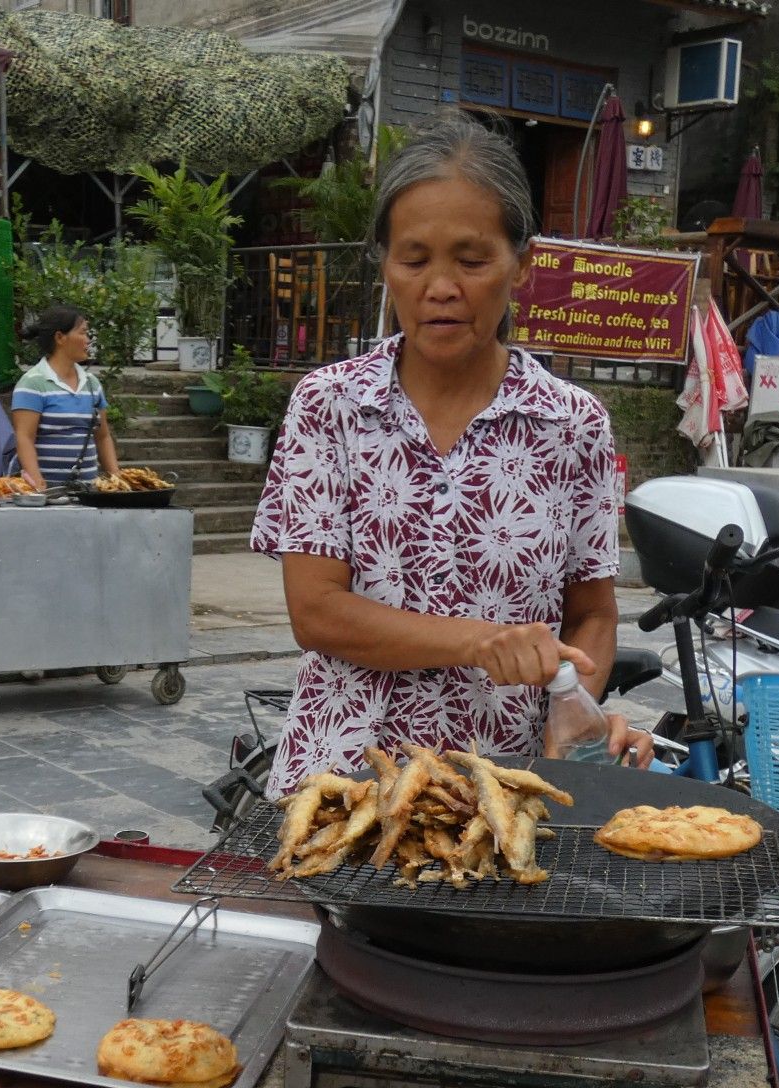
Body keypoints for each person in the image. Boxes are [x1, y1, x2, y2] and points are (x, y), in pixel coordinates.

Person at [251, 112, 655, 798]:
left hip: (504, 785)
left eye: (471, 261)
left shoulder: (572, 424)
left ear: (521, 264)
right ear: (385, 264)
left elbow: (591, 612)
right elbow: (316, 610)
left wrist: (574, 709)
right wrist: (478, 642)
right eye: (414, 259)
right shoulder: (331, 406)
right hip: (345, 782)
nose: (441, 286)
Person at [11, 305, 119, 492]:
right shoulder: (32, 383)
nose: (88, 340)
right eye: (83, 333)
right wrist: (37, 483)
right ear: (60, 337)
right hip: (49, 495)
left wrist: (117, 479)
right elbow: (25, 438)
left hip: (88, 492)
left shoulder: (92, 384)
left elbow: (102, 437)